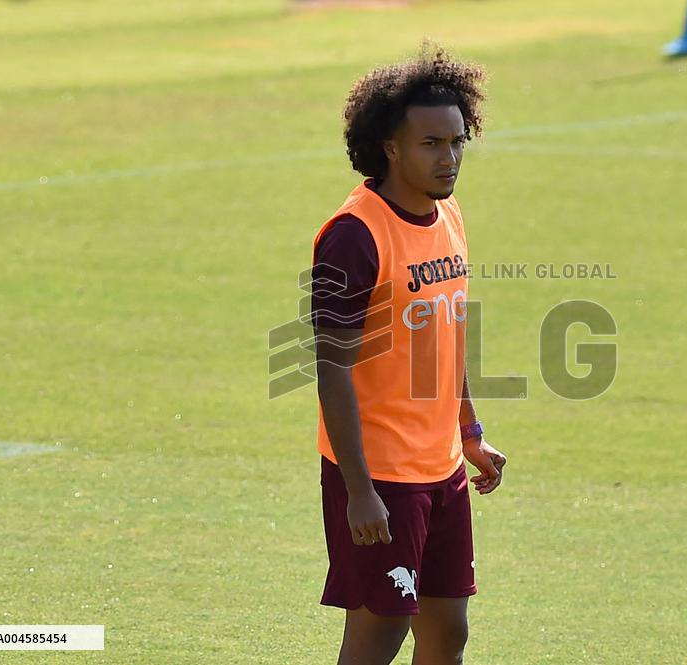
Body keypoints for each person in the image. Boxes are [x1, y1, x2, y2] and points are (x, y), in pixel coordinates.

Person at [310, 43, 508, 665]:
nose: (448, 157)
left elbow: (447, 337)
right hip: (381, 475)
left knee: (448, 632)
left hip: (442, 468)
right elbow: (331, 367)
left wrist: (468, 430)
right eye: (430, 143)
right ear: (391, 147)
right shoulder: (353, 236)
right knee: (377, 637)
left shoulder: (448, 216)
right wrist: (358, 489)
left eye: (456, 141)